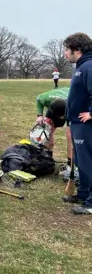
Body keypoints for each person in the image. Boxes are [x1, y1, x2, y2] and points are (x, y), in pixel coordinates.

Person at [63, 32, 92, 214]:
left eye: (67, 49)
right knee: (81, 161)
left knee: (88, 161)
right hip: (76, 122)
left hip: (85, 125)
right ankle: (83, 194)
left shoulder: (89, 66)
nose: (65, 53)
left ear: (77, 50)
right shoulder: (81, 66)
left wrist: (91, 113)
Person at [35, 87, 72, 162]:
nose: (62, 118)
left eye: (63, 117)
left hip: (70, 107)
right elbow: (38, 98)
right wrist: (40, 115)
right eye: (60, 117)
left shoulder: (74, 101)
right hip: (56, 104)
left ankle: (70, 163)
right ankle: (47, 157)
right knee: (47, 132)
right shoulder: (46, 99)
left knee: (70, 136)